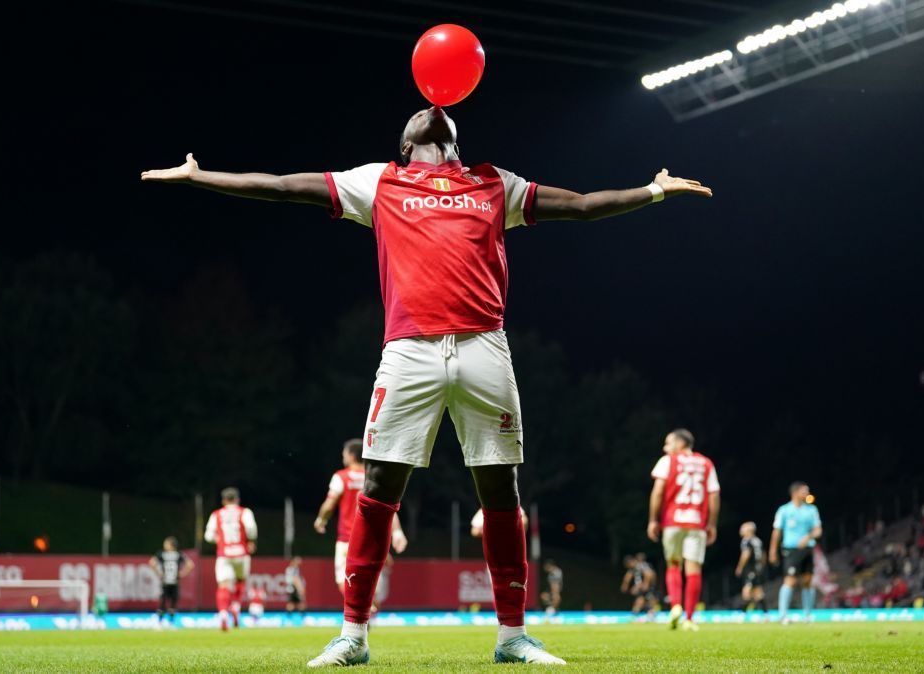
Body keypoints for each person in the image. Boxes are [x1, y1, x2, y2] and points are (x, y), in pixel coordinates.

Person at [142, 105, 712, 667]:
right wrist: (201, 176)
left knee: (501, 494)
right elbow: (287, 187)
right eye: (418, 113)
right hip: (408, 351)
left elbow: (584, 206)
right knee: (379, 488)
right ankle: (353, 636)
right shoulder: (379, 181)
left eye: (439, 112)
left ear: (454, 141)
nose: (430, 108)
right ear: (405, 143)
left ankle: (512, 637)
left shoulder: (494, 182)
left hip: (485, 345)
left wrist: (653, 190)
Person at [647, 429, 721, 632]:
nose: (665, 448)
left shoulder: (668, 461)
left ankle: (675, 606)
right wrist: (712, 524)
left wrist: (653, 519)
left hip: (673, 521)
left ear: (679, 444)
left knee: (673, 565)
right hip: (696, 523)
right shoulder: (706, 463)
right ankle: (689, 618)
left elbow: (658, 490)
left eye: (668, 443)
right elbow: (714, 496)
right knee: (693, 569)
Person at [314, 439, 408, 595]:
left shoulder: (341, 477)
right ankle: (368, 611)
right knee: (370, 584)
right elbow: (385, 507)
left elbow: (329, 505)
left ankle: (362, 612)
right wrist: (397, 532)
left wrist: (321, 520)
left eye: (344, 454)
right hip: (372, 540)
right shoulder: (372, 477)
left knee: (345, 581)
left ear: (351, 455)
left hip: (347, 540)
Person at [203, 487, 258, 631]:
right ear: (237, 499)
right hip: (241, 553)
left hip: (224, 554)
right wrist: (250, 540)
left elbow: (208, 536)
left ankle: (222, 613)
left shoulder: (217, 514)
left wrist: (218, 539)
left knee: (224, 585)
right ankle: (236, 607)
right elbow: (251, 528)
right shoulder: (244, 512)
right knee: (240, 581)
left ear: (223, 501)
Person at [769, 481, 823, 624]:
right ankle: (783, 615)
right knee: (790, 580)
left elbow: (818, 530)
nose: (806, 493)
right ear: (795, 493)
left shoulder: (811, 510)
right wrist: (772, 550)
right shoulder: (784, 510)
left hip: (807, 549)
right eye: (804, 491)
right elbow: (777, 531)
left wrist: (808, 536)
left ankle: (808, 614)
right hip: (791, 549)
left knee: (807, 581)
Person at [148, 536, 194, 626]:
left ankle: (159, 623)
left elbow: (151, 562)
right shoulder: (179, 554)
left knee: (162, 603)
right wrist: (183, 573)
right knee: (173, 603)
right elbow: (190, 564)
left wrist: (158, 572)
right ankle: (171, 623)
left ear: (170, 545)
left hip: (165, 582)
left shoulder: (161, 554)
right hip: (175, 582)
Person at [735, 522, 767, 613]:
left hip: (750, 569)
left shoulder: (746, 541)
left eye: (742, 528)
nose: (740, 531)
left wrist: (739, 567)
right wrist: (762, 567)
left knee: (746, 591)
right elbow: (764, 555)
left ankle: (742, 613)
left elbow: (746, 554)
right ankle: (766, 614)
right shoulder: (758, 541)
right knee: (758, 592)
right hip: (759, 569)